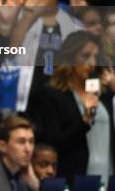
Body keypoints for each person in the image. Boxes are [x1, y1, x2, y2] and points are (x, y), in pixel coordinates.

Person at [28, 31, 114, 184]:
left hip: (108, 173)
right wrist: (84, 121)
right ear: (70, 57)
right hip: (76, 175)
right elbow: (53, 142)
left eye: (95, 56)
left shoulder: (104, 93)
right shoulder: (53, 95)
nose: (91, 62)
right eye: (85, 56)